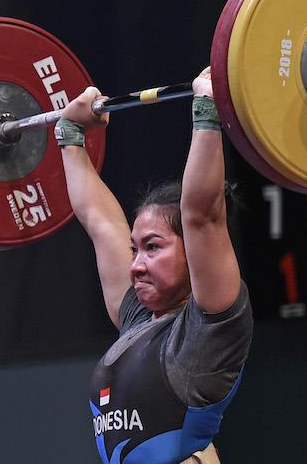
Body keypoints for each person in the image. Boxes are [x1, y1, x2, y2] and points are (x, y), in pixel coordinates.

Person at [56, 67, 253, 464]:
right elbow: (99, 221)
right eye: (135, 250)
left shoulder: (208, 331)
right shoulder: (136, 320)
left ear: (194, 252)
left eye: (153, 247)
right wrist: (70, 135)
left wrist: (207, 110)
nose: (136, 266)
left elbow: (200, 214)